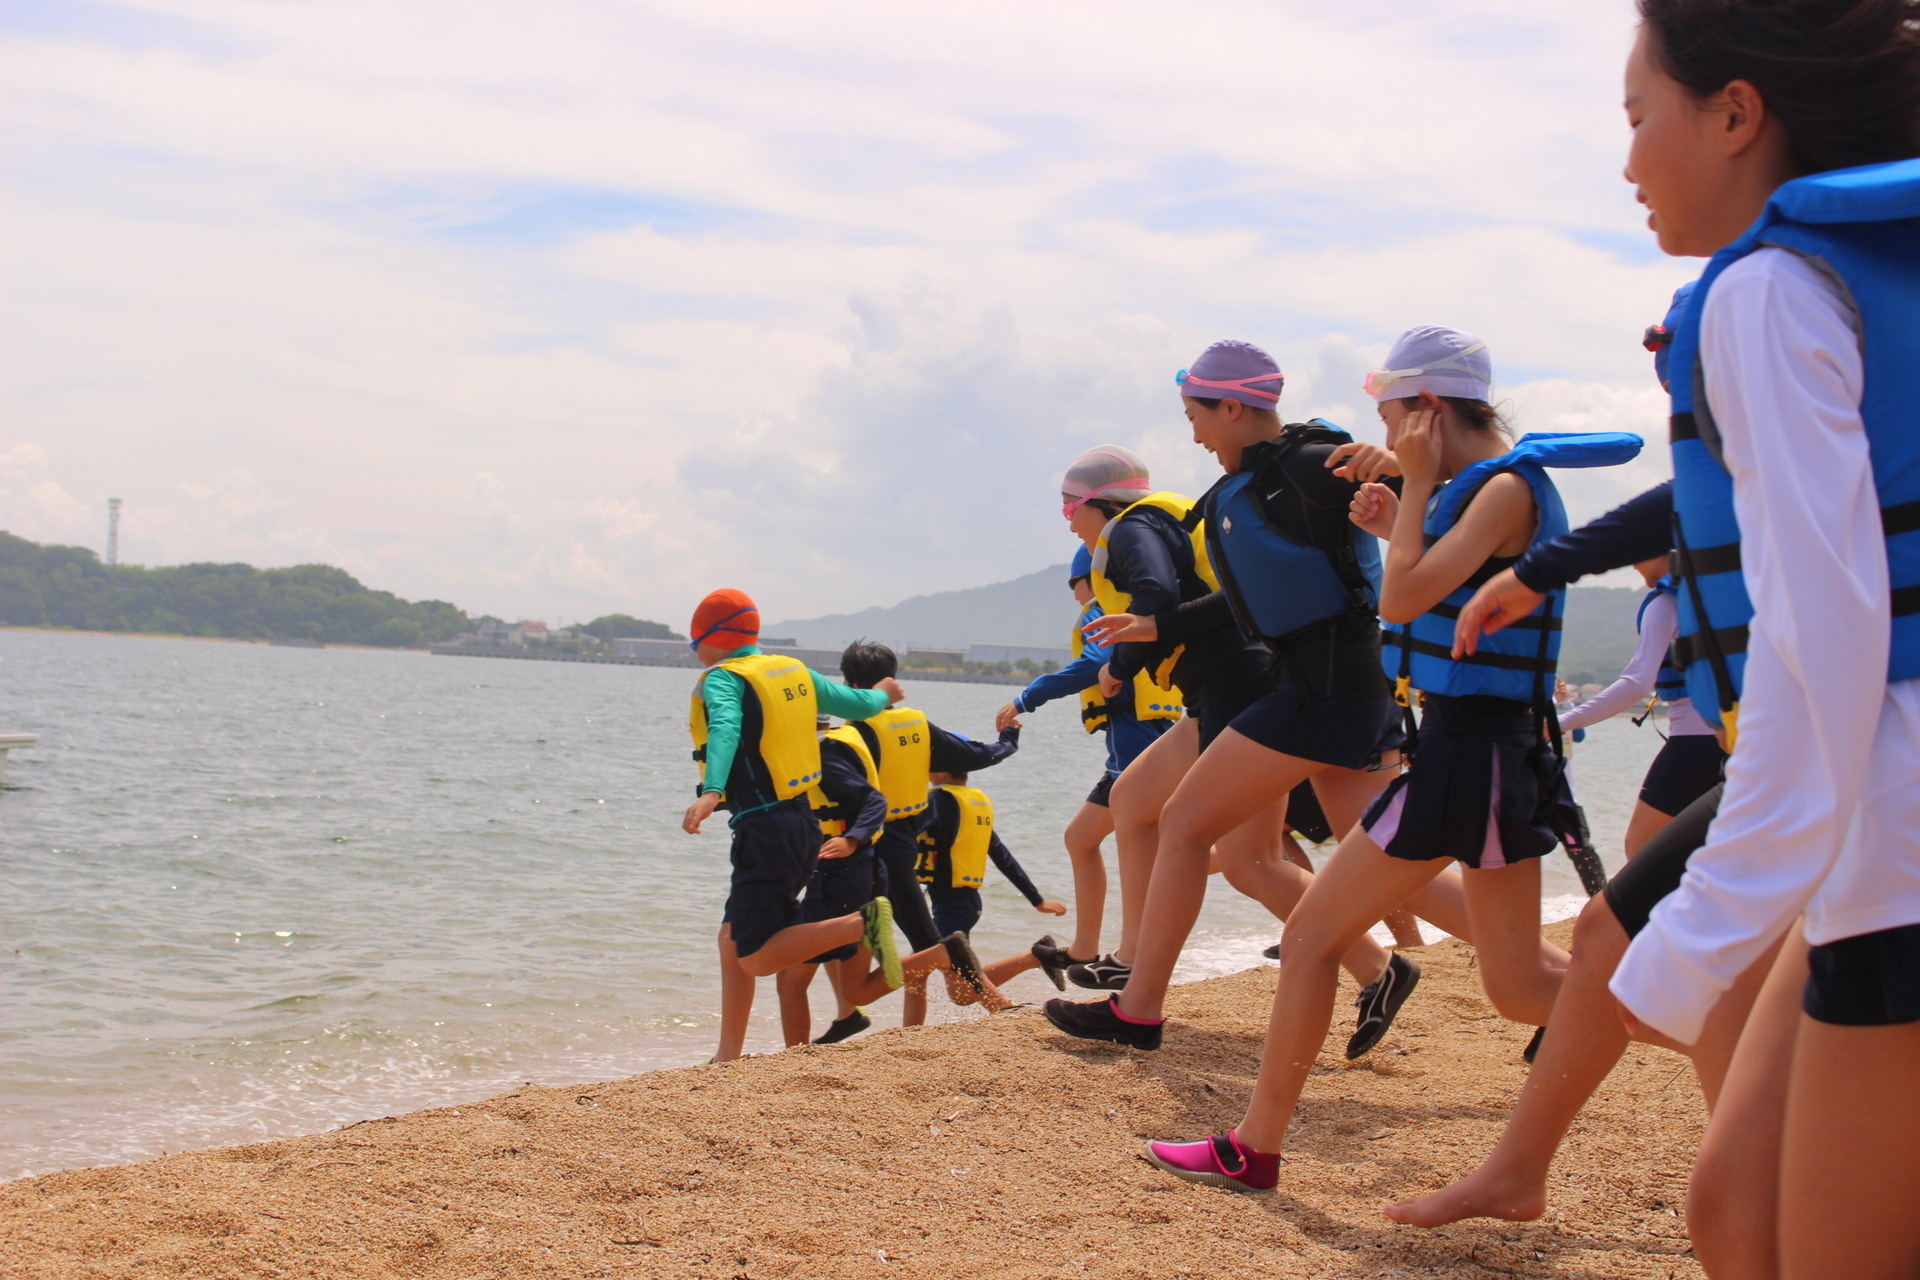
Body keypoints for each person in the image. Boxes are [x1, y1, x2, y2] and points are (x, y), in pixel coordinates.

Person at [1140, 327, 1643, 1192]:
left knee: (1344, 946)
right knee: (1512, 983)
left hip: (1481, 753)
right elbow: (1418, 587)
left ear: (1428, 409)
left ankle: (1253, 1149)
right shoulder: (1478, 490)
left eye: (1392, 417)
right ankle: (1255, 1147)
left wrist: (1404, 502)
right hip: (1465, 748)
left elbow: (1402, 597)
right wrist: (1394, 510)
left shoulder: (1505, 490)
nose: (1387, 435)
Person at [1045, 341, 1470, 1058]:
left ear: (1232, 408)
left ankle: (1138, 1008)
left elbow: (1453, 494)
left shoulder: (1311, 464)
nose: (1194, 437)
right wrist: (1155, 628)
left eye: (1196, 418)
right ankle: (1553, 972)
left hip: (1321, 694)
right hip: (1339, 690)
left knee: (1184, 824)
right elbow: (1252, 598)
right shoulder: (1258, 483)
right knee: (1397, 867)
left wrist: (1398, 465)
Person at [680, 590, 989, 1063]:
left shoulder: (724, 679)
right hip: (802, 824)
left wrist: (712, 790)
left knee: (754, 956)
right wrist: (883, 695)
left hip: (764, 829)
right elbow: (857, 704)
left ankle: (860, 924)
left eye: (694, 641)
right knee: (730, 939)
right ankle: (728, 1054)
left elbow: (725, 729)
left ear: (713, 638)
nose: (694, 651)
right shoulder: (793, 671)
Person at [1044, 442, 1277, 994]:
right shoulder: (1161, 523)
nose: (1068, 522)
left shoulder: (1129, 529)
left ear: (1099, 503)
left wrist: (1119, 665)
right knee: (1134, 800)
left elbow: (1155, 593)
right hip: (1222, 690)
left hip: (1235, 688)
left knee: (1252, 864)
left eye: (1069, 507)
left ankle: (1374, 960)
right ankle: (1132, 957)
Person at [994, 546, 1176, 976]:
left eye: (1072, 583)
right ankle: (1085, 949)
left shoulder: (1102, 609)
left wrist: (1027, 697)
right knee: (1081, 838)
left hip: (1136, 748)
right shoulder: (1133, 608)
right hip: (1139, 743)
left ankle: (1134, 958)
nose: (1073, 594)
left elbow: (1096, 660)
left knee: (1162, 852)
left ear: (1088, 580)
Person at [838, 640, 1020, 959]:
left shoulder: (850, 735)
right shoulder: (915, 724)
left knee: (865, 942)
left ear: (850, 686)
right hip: (899, 845)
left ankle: (1008, 978)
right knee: (920, 942)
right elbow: (976, 754)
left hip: (858, 849)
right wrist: (1008, 742)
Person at [903, 770, 1068, 1019]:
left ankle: (1009, 1009)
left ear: (940, 771)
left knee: (957, 989)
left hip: (952, 907)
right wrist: (1037, 900)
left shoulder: (938, 801)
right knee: (931, 977)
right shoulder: (971, 805)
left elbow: (905, 834)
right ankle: (1035, 958)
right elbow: (1003, 857)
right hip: (964, 903)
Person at [775, 719, 891, 1048]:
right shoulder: (832, 745)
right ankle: (939, 954)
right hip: (860, 871)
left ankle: (795, 1058)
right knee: (856, 989)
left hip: (840, 878)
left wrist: (851, 839)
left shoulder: (824, 757)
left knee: (790, 977)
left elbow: (875, 801)